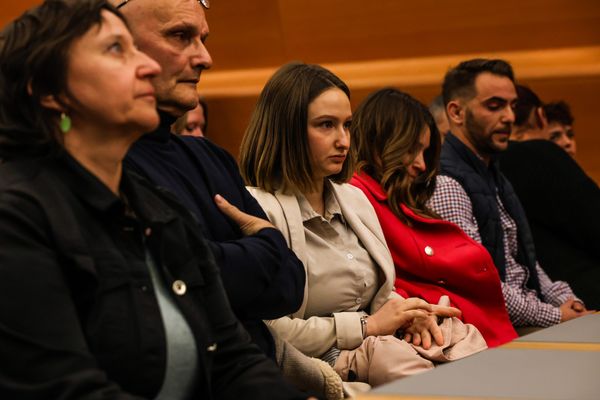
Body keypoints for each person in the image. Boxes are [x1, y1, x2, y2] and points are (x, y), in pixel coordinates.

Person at [0, 1, 308, 399]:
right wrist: (265, 248)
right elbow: (66, 390)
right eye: (117, 50)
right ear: (46, 90)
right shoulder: (16, 218)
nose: (145, 66)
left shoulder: (156, 206)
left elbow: (233, 359)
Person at [240, 62, 486, 388]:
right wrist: (365, 327)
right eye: (326, 125)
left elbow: (379, 297)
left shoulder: (353, 197)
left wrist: (408, 315)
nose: (344, 140)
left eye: (347, 125)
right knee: (407, 367)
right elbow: (263, 329)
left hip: (379, 344)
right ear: (286, 130)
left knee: (464, 342)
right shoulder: (257, 208)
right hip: (317, 362)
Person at [115, 0, 306, 364]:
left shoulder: (209, 156)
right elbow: (192, 283)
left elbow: (291, 285)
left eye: (202, 38)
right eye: (180, 36)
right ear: (117, 45)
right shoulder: (107, 167)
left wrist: (234, 265)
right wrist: (268, 242)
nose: (205, 58)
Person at [428, 58, 594, 332]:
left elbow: (527, 264)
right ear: (456, 113)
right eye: (494, 106)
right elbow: (481, 287)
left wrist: (567, 299)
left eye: (512, 106)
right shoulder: (447, 184)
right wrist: (555, 315)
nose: (509, 117)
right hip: (500, 330)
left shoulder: (494, 175)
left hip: (529, 318)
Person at [350, 87, 517, 347]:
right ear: (381, 141)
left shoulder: (396, 197)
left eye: (424, 152)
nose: (422, 165)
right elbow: (369, 281)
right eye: (412, 150)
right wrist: (409, 308)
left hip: (469, 330)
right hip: (444, 335)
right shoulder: (357, 195)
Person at [498, 86, 600, 309]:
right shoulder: (540, 156)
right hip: (581, 299)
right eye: (556, 135)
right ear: (541, 116)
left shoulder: (482, 165)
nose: (565, 142)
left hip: (528, 301)